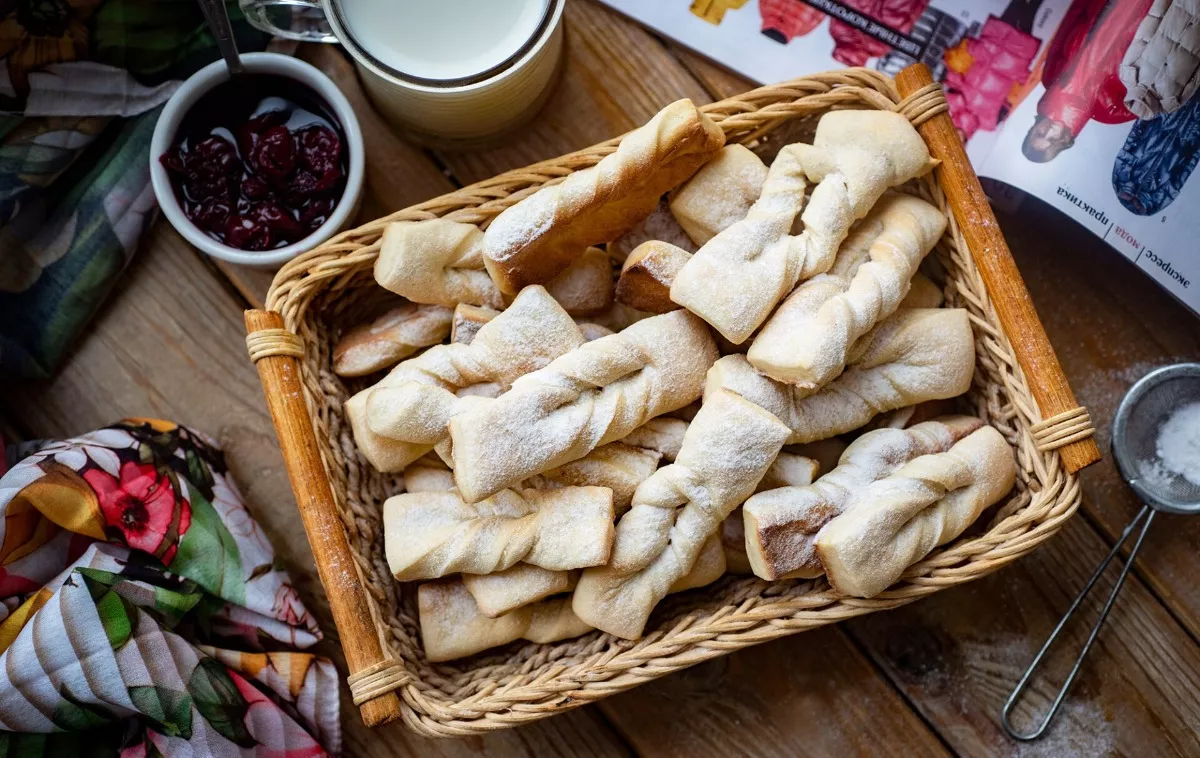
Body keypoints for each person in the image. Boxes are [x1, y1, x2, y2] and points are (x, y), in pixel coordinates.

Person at [1022, 0, 1154, 163]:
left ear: (1033, 129)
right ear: (1061, 144)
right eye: (1052, 140)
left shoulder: (1049, 78)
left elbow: (1069, 24)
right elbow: (1157, 65)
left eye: (1040, 134)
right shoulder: (1112, 114)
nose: (1048, 131)